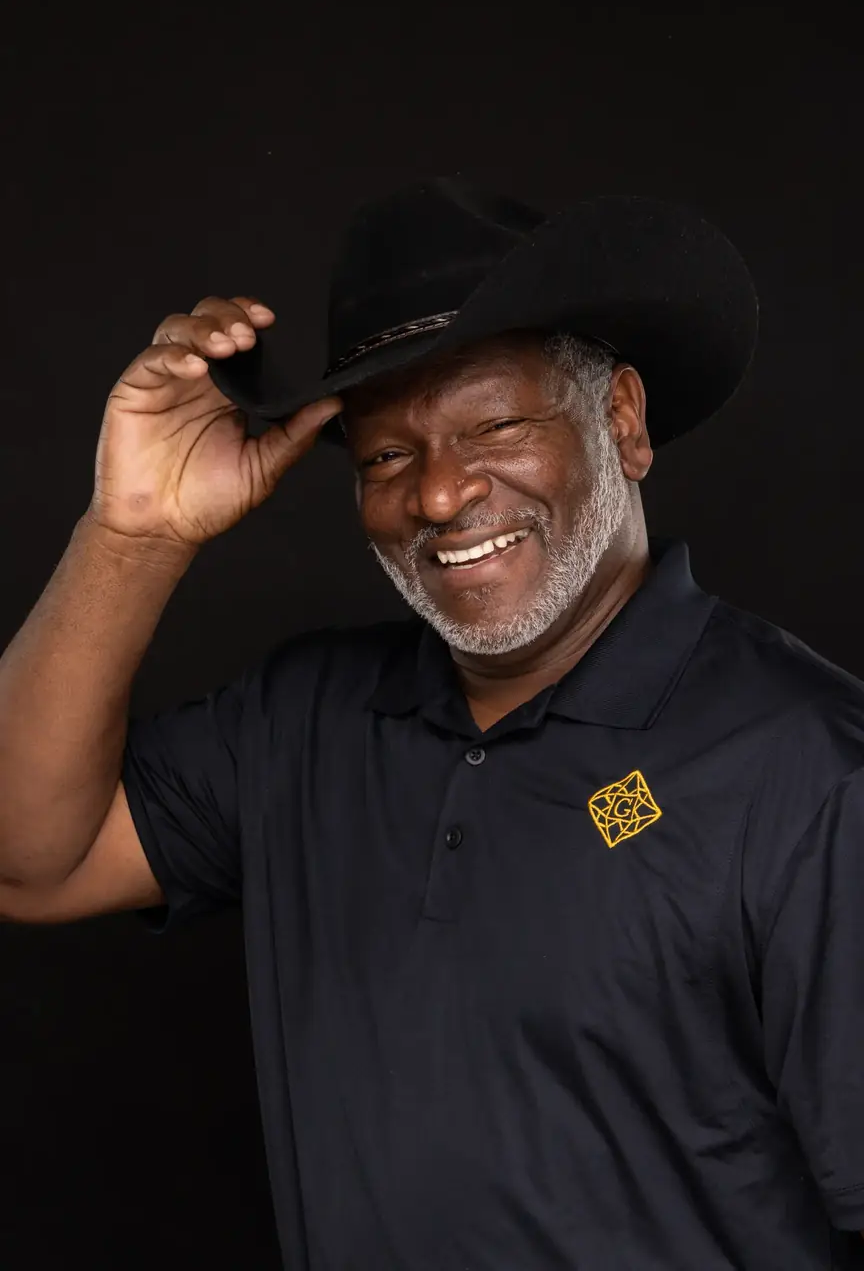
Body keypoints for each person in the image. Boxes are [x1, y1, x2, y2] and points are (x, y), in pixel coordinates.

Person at [2, 176, 864, 1270]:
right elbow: (26, 861)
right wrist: (134, 534)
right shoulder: (302, 724)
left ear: (623, 422)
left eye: (496, 423)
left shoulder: (811, 772)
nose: (443, 495)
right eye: (388, 457)